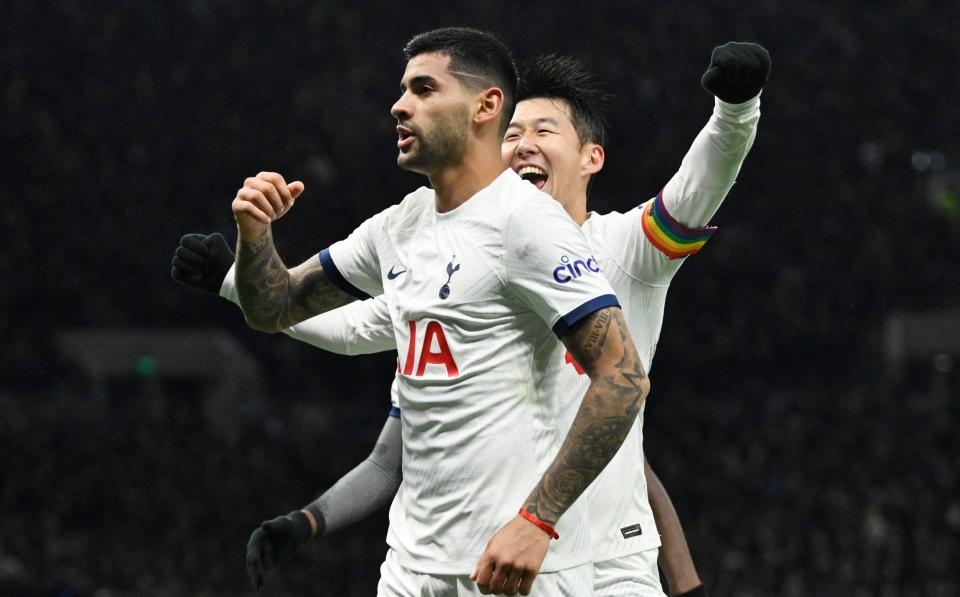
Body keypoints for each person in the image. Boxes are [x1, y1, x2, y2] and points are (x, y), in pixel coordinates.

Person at [173, 42, 769, 596]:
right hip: (468, 554)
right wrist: (237, 279)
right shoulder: (454, 247)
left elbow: (700, 185)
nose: (523, 143)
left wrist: (735, 108)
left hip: (597, 562)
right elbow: (357, 330)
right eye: (512, 133)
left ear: (592, 157)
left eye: (544, 129)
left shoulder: (624, 248)